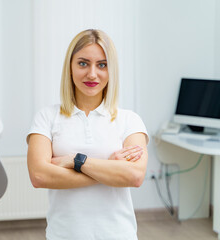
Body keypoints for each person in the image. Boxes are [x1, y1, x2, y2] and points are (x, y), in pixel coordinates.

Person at [26, 29, 149, 240]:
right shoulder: (46, 117)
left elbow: (134, 176)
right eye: (83, 63)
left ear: (111, 71)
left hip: (118, 234)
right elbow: (39, 176)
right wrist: (110, 168)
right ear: (70, 67)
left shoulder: (130, 120)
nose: (92, 74)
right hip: (64, 235)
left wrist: (74, 161)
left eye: (102, 65)